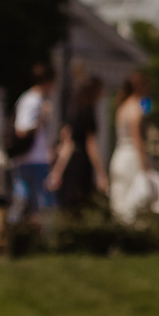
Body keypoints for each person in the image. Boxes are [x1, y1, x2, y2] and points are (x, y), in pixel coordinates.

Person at [108, 73, 159, 223]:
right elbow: (138, 140)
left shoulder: (122, 107)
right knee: (134, 201)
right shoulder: (136, 109)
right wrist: (145, 167)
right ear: (140, 86)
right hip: (131, 158)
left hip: (119, 155)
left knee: (120, 201)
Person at [47, 77, 104, 215]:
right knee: (81, 205)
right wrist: (102, 173)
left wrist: (57, 170)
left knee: (68, 205)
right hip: (81, 163)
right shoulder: (88, 112)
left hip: (71, 163)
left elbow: (66, 143)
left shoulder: (73, 111)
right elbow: (91, 145)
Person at [9, 66, 53, 225]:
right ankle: (18, 234)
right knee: (37, 201)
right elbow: (22, 130)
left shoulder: (31, 99)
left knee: (26, 201)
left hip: (32, 157)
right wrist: (42, 118)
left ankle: (22, 236)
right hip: (32, 158)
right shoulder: (33, 100)